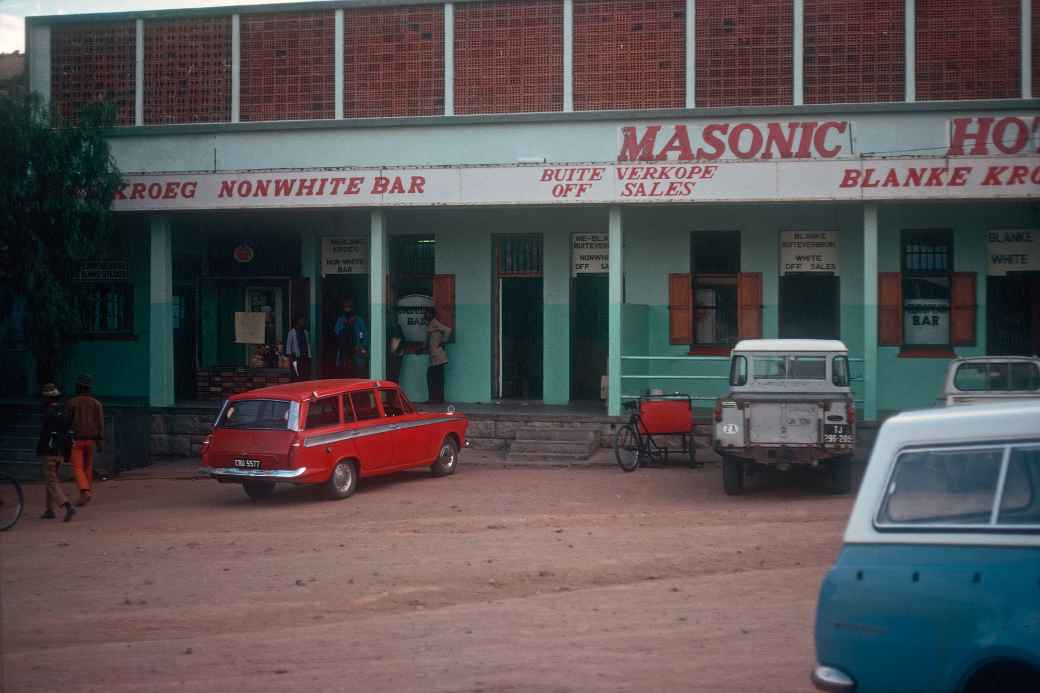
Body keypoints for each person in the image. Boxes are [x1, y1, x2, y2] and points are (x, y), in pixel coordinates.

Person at [36, 383, 75, 522]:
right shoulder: (62, 411)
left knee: (51, 481)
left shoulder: (47, 412)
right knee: (51, 480)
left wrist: (40, 450)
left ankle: (67, 505)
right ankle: (49, 509)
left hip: (49, 451)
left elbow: (44, 434)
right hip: (60, 452)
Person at [66, 374, 104, 507]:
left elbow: (67, 422)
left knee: (78, 467)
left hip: (76, 440)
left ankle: (84, 490)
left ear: (78, 387)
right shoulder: (96, 403)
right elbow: (100, 424)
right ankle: (86, 493)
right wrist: (99, 441)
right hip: (91, 440)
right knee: (88, 467)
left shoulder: (72, 402)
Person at [334, 298, 368, 378]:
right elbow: (337, 333)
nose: (347, 309)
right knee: (345, 374)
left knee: (358, 373)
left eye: (349, 307)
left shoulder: (359, 320)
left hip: (357, 350)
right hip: (345, 351)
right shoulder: (340, 320)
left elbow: (363, 334)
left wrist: (361, 346)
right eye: (346, 307)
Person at [423, 307, 452, 404]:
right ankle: (437, 398)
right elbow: (428, 340)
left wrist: (443, 342)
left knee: (433, 377)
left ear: (431, 314)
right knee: (436, 377)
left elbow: (448, 330)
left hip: (438, 356)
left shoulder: (434, 323)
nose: (425, 315)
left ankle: (435, 399)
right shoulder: (430, 324)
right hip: (434, 356)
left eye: (426, 313)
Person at [285, 314, 312, 381]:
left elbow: (307, 344)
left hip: (305, 356)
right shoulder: (291, 332)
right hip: (295, 357)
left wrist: (309, 355)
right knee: (296, 375)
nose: (303, 322)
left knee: (305, 374)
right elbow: (288, 346)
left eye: (304, 320)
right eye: (302, 320)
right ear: (298, 321)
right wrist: (290, 357)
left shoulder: (305, 332)